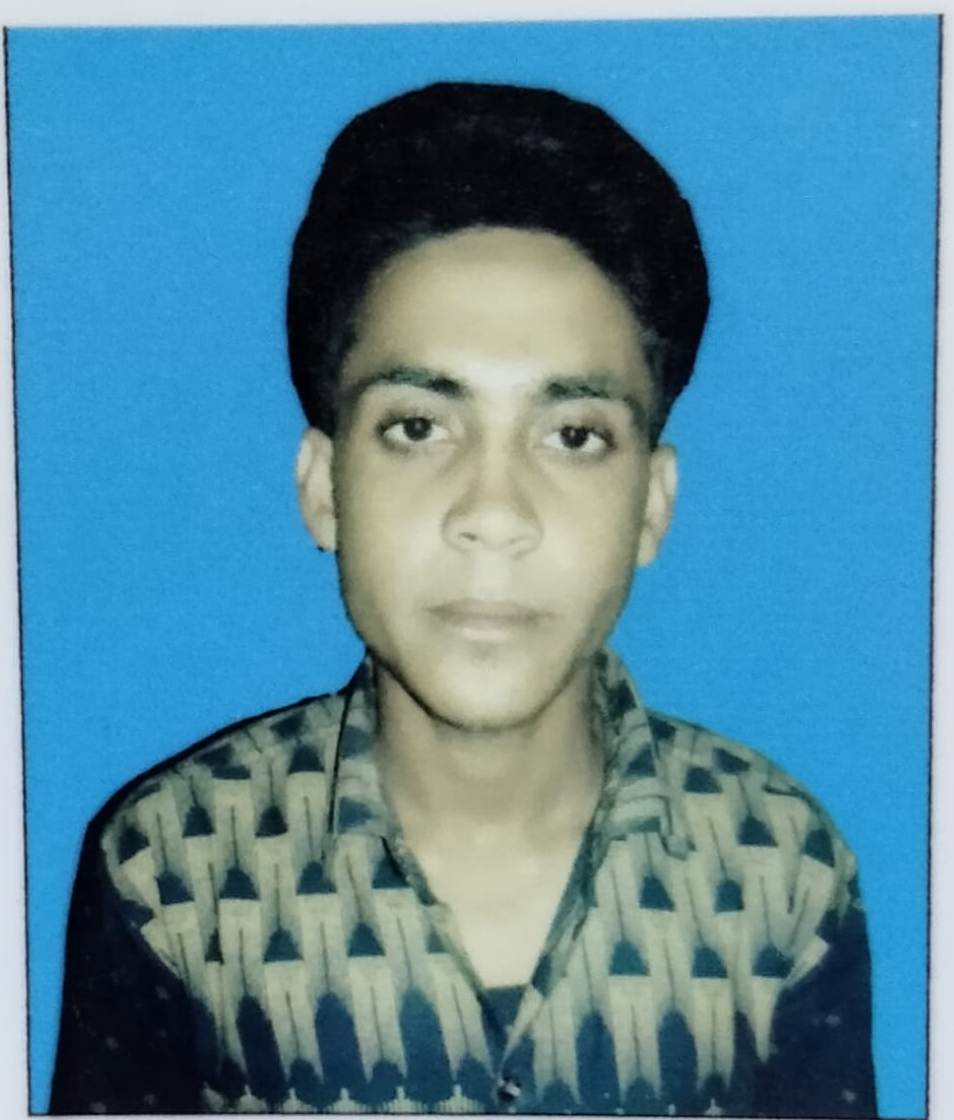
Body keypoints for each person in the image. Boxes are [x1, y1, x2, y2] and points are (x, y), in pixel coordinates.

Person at [49, 81, 877, 1117]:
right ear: (324, 486)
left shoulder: (782, 869)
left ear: (653, 505)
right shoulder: (171, 867)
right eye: (417, 427)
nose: (494, 512)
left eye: (573, 436)